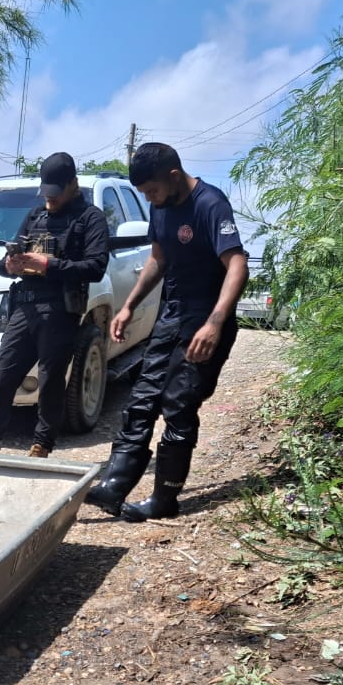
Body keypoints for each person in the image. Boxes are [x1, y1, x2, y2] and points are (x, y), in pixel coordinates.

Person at [85, 142, 249, 521]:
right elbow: (158, 260)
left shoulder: (210, 204)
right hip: (171, 315)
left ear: (173, 176)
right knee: (142, 398)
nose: (149, 198)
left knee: (178, 406)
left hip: (206, 321)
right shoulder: (160, 209)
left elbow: (237, 264)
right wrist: (129, 306)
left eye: (152, 190)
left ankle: (164, 500)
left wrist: (215, 323)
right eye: (143, 193)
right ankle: (115, 486)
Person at [0, 151, 109, 458]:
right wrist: (11, 264)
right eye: (46, 194)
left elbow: (95, 267)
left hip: (60, 310)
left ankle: (42, 448)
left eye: (56, 194)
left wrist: (49, 265)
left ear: (73, 185)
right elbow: (9, 258)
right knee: (4, 376)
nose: (50, 200)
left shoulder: (90, 219)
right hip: (24, 308)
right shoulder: (36, 216)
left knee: (50, 384)